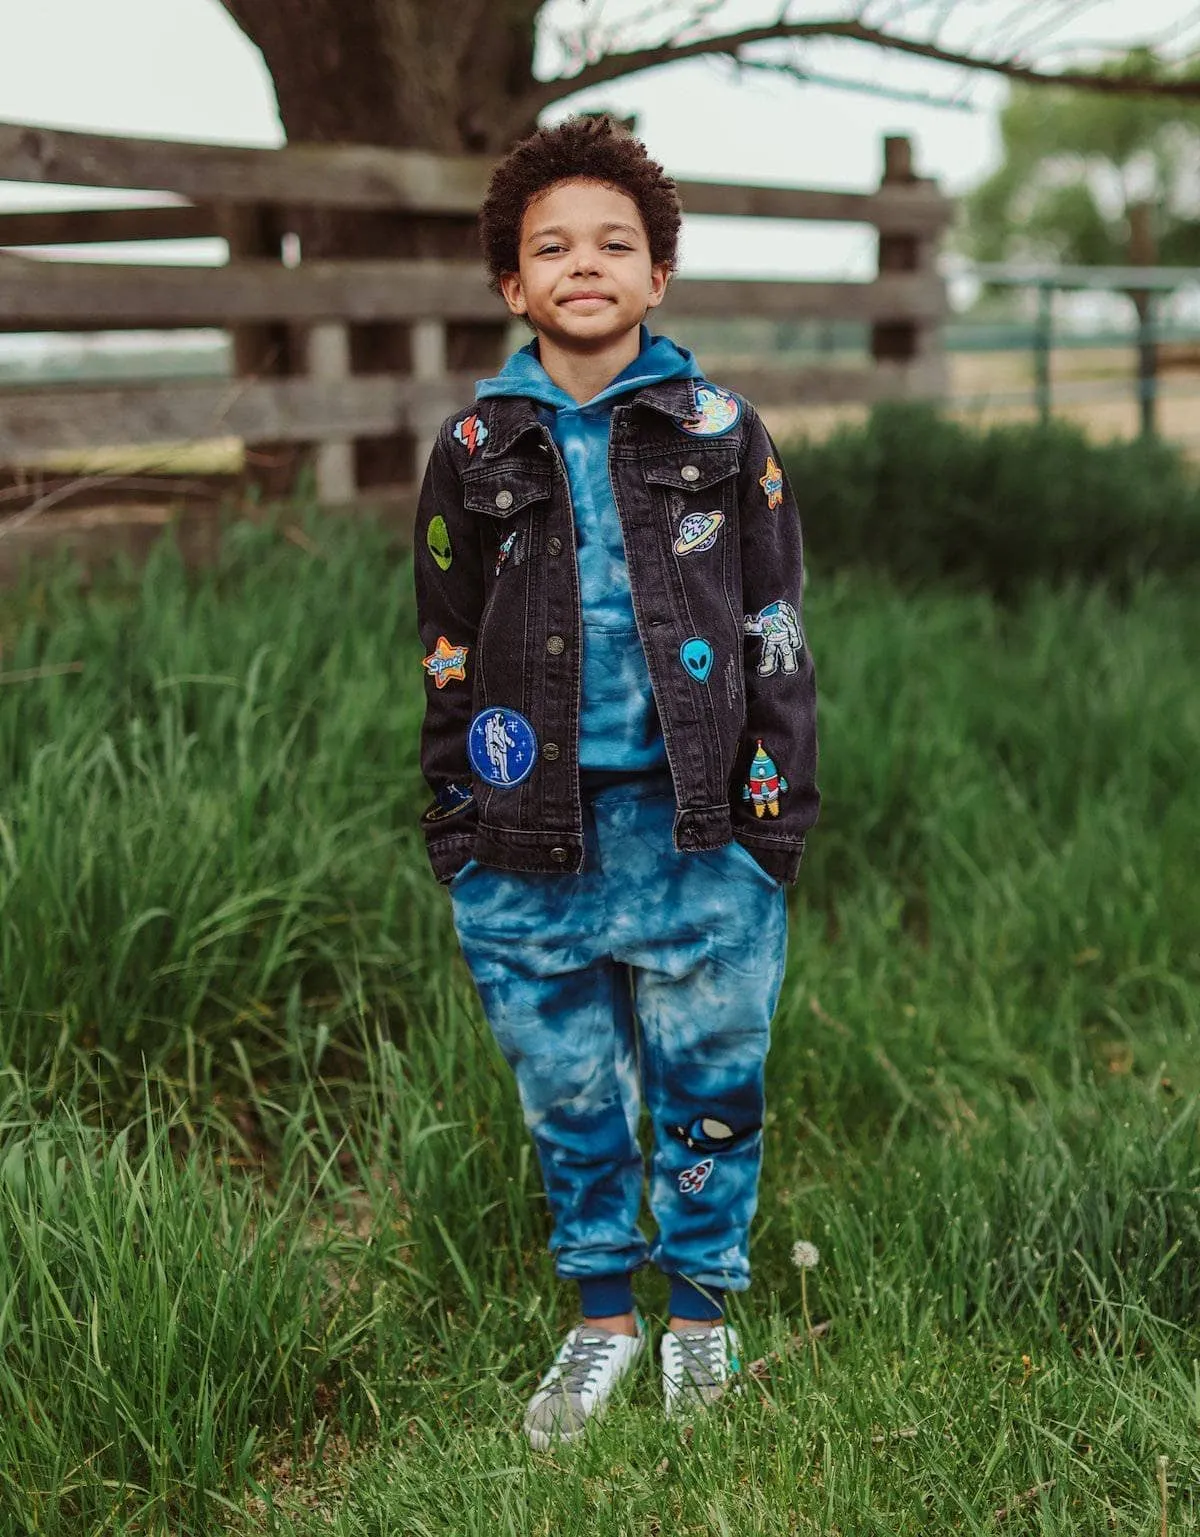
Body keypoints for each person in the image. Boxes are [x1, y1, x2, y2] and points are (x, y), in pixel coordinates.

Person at [413, 115, 818, 1449]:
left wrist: (775, 820)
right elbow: (447, 646)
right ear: (511, 287)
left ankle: (700, 1317)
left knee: (712, 1082)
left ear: (658, 278)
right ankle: (601, 1316)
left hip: (702, 829)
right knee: (571, 1091)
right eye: (551, 248)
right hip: (531, 835)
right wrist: (457, 828)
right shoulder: (475, 450)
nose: (585, 264)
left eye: (616, 244)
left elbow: (775, 629)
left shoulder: (724, 430)